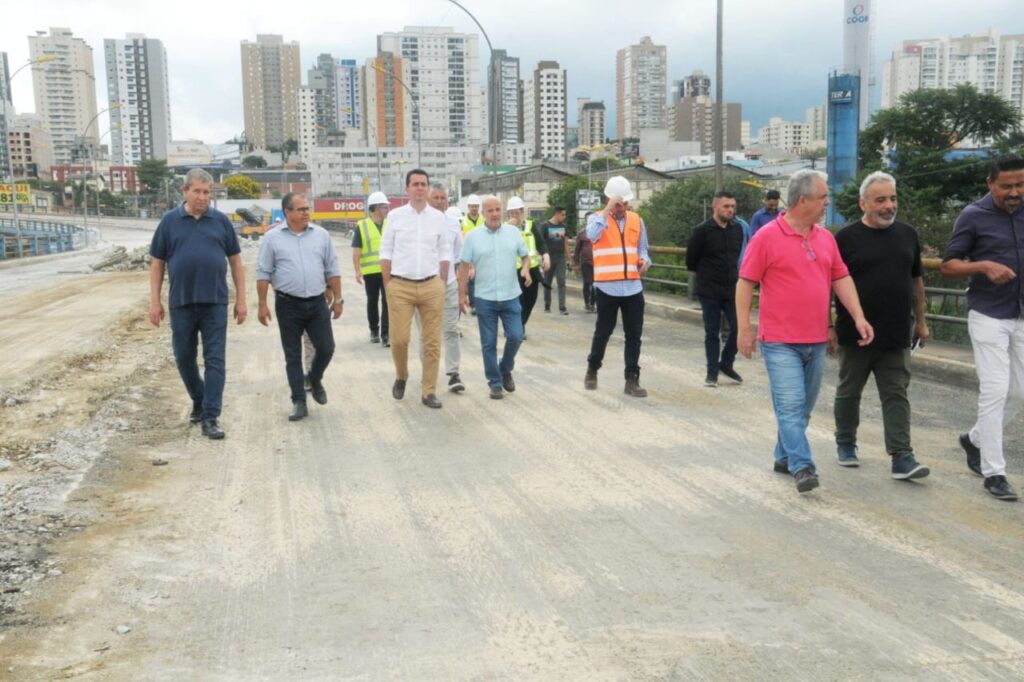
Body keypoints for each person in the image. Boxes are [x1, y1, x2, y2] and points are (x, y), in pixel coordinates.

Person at [737, 169, 874, 494]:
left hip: (814, 339)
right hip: (780, 341)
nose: (828, 202)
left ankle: (783, 456)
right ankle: (803, 466)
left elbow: (840, 279)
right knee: (790, 406)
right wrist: (745, 327)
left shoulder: (825, 238)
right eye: (823, 197)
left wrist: (858, 317)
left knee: (804, 409)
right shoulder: (766, 237)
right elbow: (745, 283)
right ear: (802, 200)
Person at [830, 172, 930, 480]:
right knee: (849, 391)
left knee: (896, 393)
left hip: (896, 331)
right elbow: (828, 285)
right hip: (855, 332)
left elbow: (917, 282)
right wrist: (828, 326)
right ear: (864, 203)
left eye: (893, 198)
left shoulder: (908, 234)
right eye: (881, 200)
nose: (889, 205)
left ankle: (902, 457)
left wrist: (922, 322)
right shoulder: (844, 238)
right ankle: (846, 443)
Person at [940, 156, 1024, 502]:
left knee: (1020, 393)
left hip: (1021, 314)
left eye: (1020, 185)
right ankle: (994, 472)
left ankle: (973, 439)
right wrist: (985, 265)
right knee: (994, 389)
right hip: (988, 313)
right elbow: (948, 265)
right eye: (1007, 186)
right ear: (990, 184)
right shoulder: (973, 216)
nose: (1015, 192)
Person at [148, 168, 247, 440]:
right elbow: (157, 264)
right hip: (181, 302)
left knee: (215, 359)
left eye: (207, 192)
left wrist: (241, 299)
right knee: (183, 358)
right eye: (197, 192)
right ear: (185, 191)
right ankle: (199, 397)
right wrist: (154, 301)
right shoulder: (169, 222)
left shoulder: (221, 222)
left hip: (215, 301)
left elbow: (236, 262)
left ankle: (210, 416)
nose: (203, 197)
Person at [256, 193, 342, 422]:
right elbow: (263, 272)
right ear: (287, 212)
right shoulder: (272, 238)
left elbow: (332, 268)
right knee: (292, 355)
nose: (306, 212)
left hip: (317, 303)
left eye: (307, 208)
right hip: (287, 304)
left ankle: (313, 378)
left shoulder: (321, 235)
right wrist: (262, 304)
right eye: (300, 209)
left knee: (326, 348)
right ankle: (298, 401)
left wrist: (339, 298)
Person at [380, 169, 451, 409]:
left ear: (428, 189)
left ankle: (428, 390)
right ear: (407, 188)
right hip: (400, 285)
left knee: (431, 341)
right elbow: (386, 251)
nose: (420, 188)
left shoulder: (439, 218)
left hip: (431, 285)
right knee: (399, 339)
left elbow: (445, 251)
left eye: (424, 184)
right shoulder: (396, 216)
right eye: (416, 184)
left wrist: (441, 280)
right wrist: (388, 283)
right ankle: (401, 375)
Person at [584, 176, 652, 397]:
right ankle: (593, 368)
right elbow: (592, 236)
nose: (623, 207)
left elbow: (643, 250)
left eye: (626, 203)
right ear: (609, 199)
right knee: (603, 332)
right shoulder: (597, 219)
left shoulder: (636, 220)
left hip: (633, 287)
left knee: (634, 335)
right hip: (607, 288)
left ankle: (632, 379)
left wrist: (645, 262)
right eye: (619, 203)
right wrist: (607, 210)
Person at [459, 196, 532, 399]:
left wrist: (526, 270)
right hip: (485, 298)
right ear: (483, 213)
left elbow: (525, 256)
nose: (494, 214)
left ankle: (505, 368)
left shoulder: (513, 232)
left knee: (516, 336)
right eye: (489, 210)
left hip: (510, 296)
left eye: (497, 209)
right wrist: (462, 294)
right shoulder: (473, 237)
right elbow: (464, 266)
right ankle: (495, 382)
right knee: (488, 343)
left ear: (502, 211)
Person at [686, 191, 744, 387]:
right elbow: (691, 261)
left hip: (731, 288)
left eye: (733, 207)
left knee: (738, 327)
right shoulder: (701, 231)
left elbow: (737, 257)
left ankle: (726, 363)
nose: (730, 210)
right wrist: (705, 276)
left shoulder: (737, 229)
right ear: (715, 207)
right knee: (712, 332)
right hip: (709, 289)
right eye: (726, 206)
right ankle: (712, 373)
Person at [426, 184, 465, 394]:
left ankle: (453, 374)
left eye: (443, 198)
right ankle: (428, 375)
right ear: (429, 200)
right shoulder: (421, 222)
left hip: (449, 284)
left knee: (451, 329)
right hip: (426, 286)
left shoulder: (452, 224)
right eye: (436, 198)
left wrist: (461, 289)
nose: (440, 201)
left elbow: (459, 256)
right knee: (428, 334)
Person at [352, 192, 390, 346]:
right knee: (372, 301)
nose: (387, 209)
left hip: (388, 270)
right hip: (370, 272)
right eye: (384, 206)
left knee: (388, 302)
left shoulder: (390, 223)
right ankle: (374, 330)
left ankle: (386, 335)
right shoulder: (362, 226)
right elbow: (356, 251)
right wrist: (357, 270)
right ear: (375, 208)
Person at [507, 196, 549, 332]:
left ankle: (520, 323)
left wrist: (546, 255)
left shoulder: (531, 225)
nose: (514, 215)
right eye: (511, 213)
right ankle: (518, 327)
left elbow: (541, 243)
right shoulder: (505, 229)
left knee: (531, 299)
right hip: (515, 271)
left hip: (532, 269)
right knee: (519, 301)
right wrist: (508, 229)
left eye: (517, 212)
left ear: (522, 211)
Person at [542, 206, 572, 315]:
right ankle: (547, 304)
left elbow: (566, 244)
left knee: (561, 281)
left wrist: (569, 260)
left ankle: (562, 307)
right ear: (556, 214)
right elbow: (541, 243)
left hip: (560, 258)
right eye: (562, 214)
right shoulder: (545, 226)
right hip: (549, 258)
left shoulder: (564, 227)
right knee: (547, 282)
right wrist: (544, 257)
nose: (564, 217)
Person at [461, 195, 485, 315]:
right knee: (471, 279)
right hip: (469, 253)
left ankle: (482, 302)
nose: (474, 208)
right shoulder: (463, 221)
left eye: (476, 206)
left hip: (482, 252)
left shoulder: (484, 220)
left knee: (482, 278)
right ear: (468, 207)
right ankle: (473, 305)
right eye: (472, 206)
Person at [573, 211, 596, 312]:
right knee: (587, 282)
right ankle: (587, 303)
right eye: (588, 219)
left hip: (597, 263)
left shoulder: (599, 232)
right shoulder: (582, 234)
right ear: (586, 220)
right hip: (585, 262)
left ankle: (592, 303)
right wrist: (577, 264)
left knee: (596, 284)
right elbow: (577, 250)